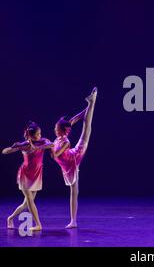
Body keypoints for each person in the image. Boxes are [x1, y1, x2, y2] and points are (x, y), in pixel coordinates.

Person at [52, 87, 97, 228]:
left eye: (56, 128)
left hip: (75, 157)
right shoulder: (60, 136)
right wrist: (87, 107)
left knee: (87, 127)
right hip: (68, 165)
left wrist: (46, 146)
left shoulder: (65, 141)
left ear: (62, 130)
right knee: (74, 192)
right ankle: (73, 221)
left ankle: (73, 221)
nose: (54, 129)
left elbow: (55, 155)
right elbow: (76, 118)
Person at [2, 121, 54, 231]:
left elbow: (52, 144)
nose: (40, 135)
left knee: (26, 204)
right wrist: (15, 147)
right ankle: (38, 225)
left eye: (40, 133)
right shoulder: (25, 145)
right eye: (38, 134)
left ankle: (10, 218)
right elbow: (4, 151)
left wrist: (39, 147)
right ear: (31, 135)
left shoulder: (43, 141)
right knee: (30, 200)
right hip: (25, 175)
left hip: (36, 174)